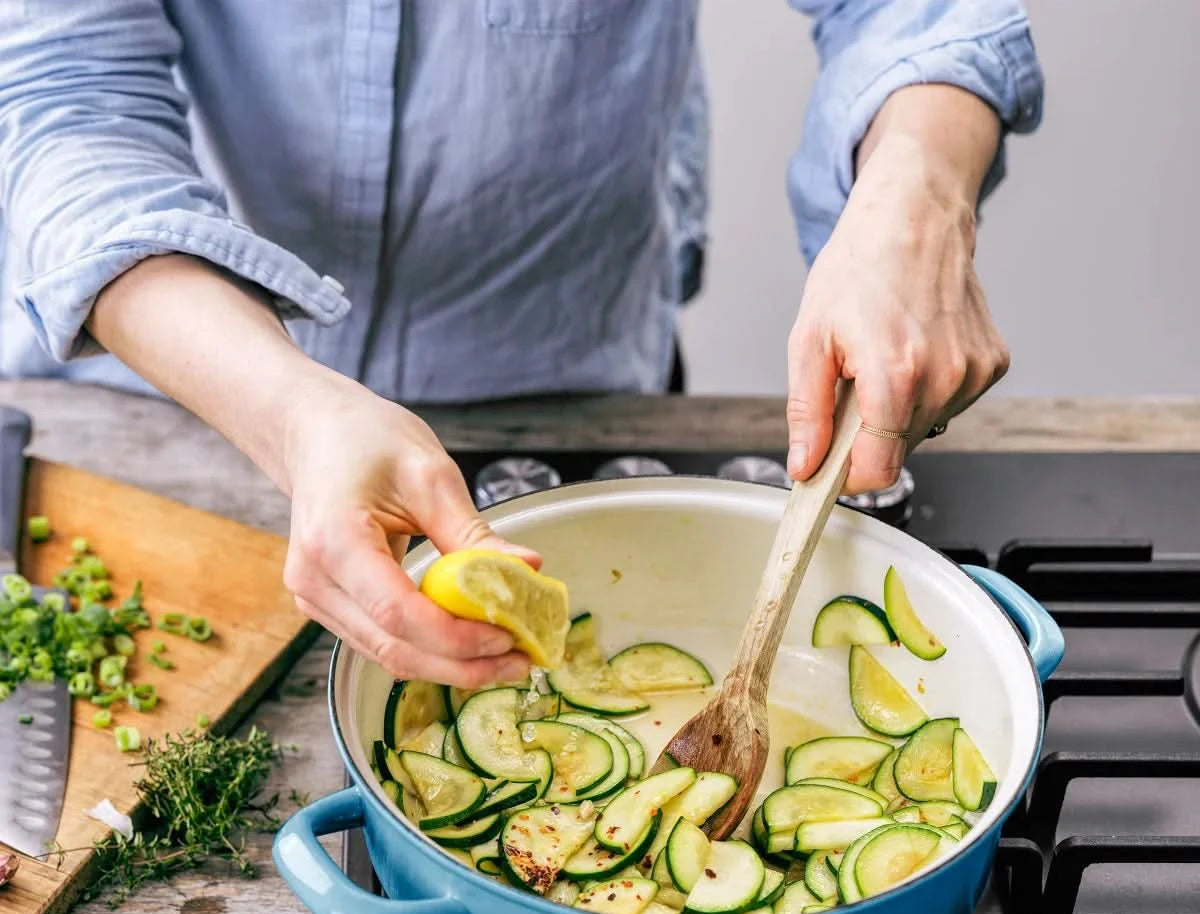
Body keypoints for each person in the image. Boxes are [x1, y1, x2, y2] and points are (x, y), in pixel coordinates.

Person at [0, 2, 1043, 688]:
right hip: (169, 396)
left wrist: (919, 194)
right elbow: (59, 101)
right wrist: (291, 410)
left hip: (574, 375)